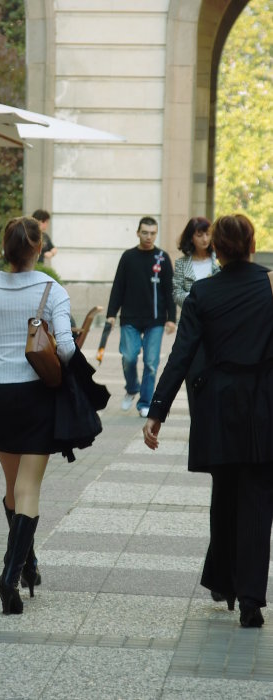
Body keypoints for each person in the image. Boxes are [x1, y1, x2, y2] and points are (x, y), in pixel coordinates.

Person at [143, 214, 273, 628]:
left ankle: (226, 582)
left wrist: (156, 411)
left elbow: (181, 354)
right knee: (257, 499)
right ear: (252, 245)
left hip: (218, 406)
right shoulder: (270, 285)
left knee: (225, 491)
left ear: (216, 248)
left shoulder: (202, 292)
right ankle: (250, 598)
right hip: (263, 403)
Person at [0, 216, 75, 615]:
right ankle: (11, 577)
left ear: (4, 249)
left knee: (12, 487)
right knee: (29, 489)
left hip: (1, 397)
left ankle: (28, 564)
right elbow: (69, 351)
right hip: (38, 395)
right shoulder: (52, 289)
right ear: (38, 248)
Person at [105, 216, 176, 417]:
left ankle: (145, 402)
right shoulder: (128, 257)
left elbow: (169, 289)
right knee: (129, 357)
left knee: (151, 363)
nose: (148, 236)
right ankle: (131, 388)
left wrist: (172, 318)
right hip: (130, 317)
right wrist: (112, 313)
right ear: (138, 233)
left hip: (155, 319)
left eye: (153, 233)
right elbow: (118, 285)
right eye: (145, 232)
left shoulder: (162, 257)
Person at [173, 217, 220, 414]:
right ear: (191, 237)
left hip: (215, 328)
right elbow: (176, 292)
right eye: (199, 234)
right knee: (192, 372)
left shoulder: (218, 261)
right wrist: (197, 301)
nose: (204, 239)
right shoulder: (182, 263)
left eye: (207, 234)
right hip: (190, 326)